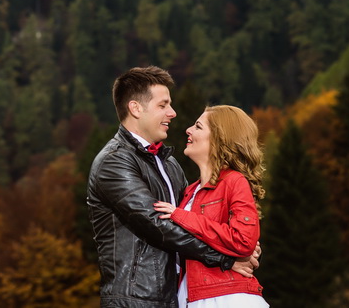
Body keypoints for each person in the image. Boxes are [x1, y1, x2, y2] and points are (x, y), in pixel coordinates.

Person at [87, 66, 259, 308]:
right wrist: (226, 258)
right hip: (136, 300)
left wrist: (240, 241)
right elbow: (156, 224)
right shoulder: (114, 162)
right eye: (163, 105)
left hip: (177, 297)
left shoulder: (169, 164)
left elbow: (193, 220)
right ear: (136, 108)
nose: (173, 113)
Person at [153, 105, 268, 307]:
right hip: (191, 296)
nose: (188, 130)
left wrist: (182, 217)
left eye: (198, 126)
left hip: (227, 297)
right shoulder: (189, 192)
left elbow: (243, 241)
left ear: (219, 139)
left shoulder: (234, 181)